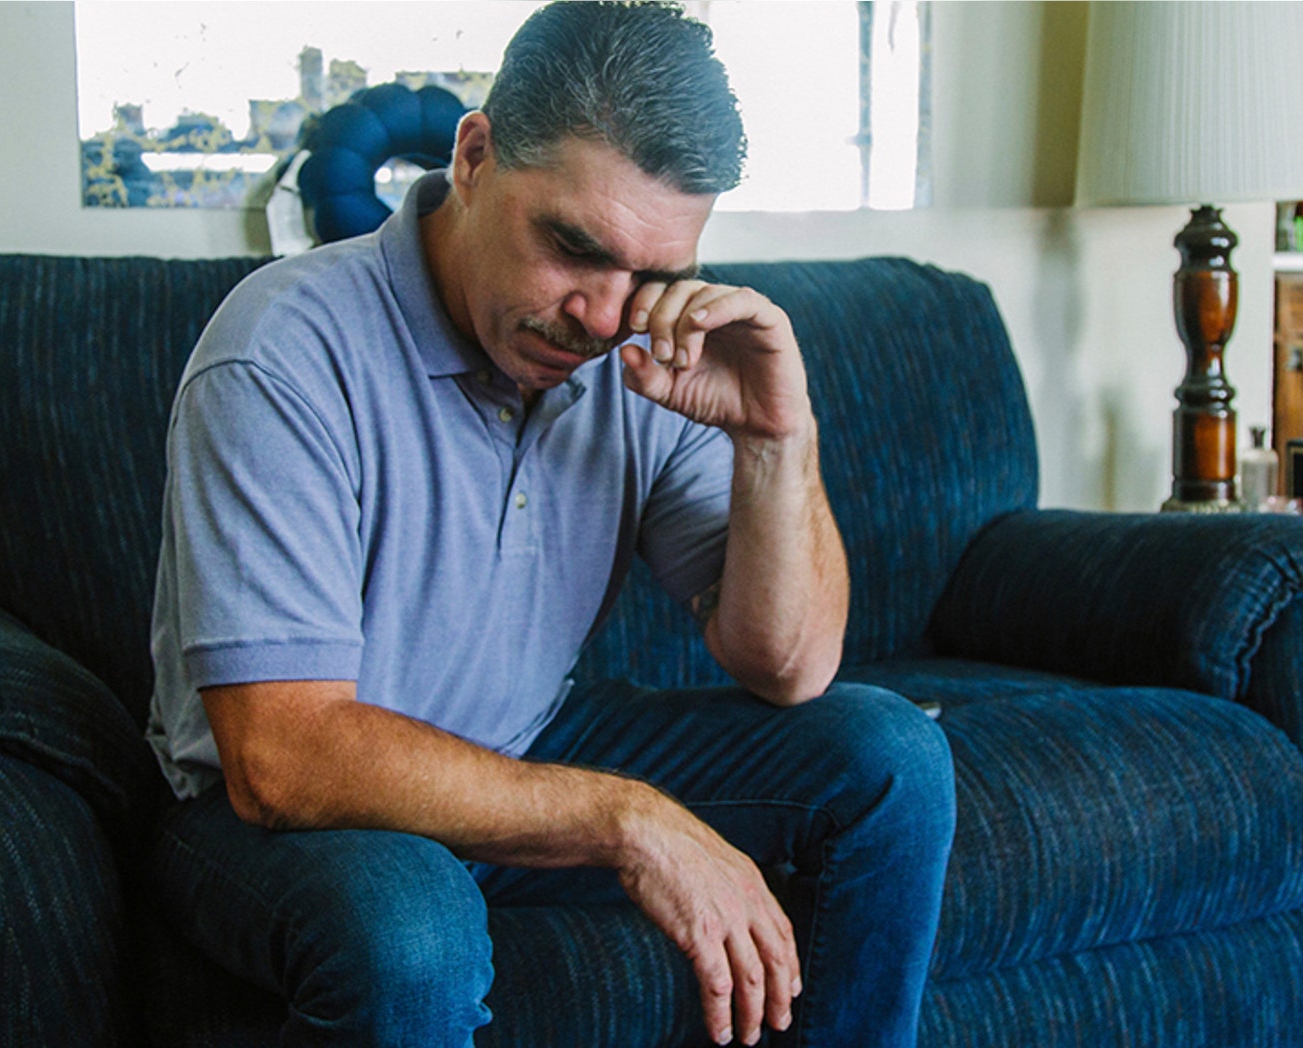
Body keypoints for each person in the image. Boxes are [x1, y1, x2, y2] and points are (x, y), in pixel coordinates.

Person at [145, 4, 955, 1045]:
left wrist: (775, 436)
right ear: (473, 155)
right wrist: (626, 819)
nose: (605, 315)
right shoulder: (284, 351)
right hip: (273, 816)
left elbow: (787, 666)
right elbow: (283, 757)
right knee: (410, 927)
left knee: (886, 755)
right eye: (574, 247)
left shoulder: (637, 355)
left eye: (652, 276)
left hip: (522, 738)